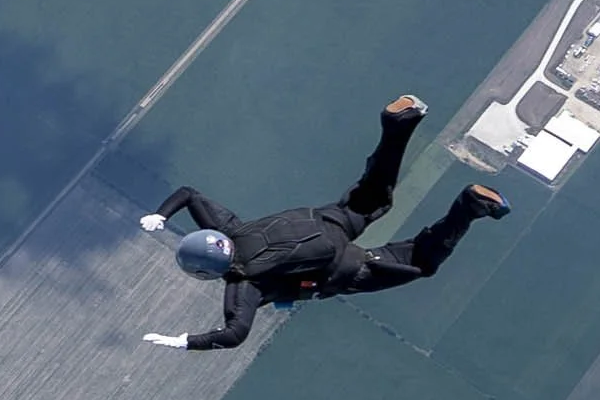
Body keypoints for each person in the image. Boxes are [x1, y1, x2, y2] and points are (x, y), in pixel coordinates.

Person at [139, 95, 511, 350]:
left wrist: (186, 341)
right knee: (374, 190)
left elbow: (234, 334)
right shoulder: (233, 229)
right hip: (332, 219)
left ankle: (470, 206)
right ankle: (399, 124)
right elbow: (189, 194)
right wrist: (161, 215)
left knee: (419, 261)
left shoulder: (244, 284)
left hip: (345, 269)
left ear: (206, 272)